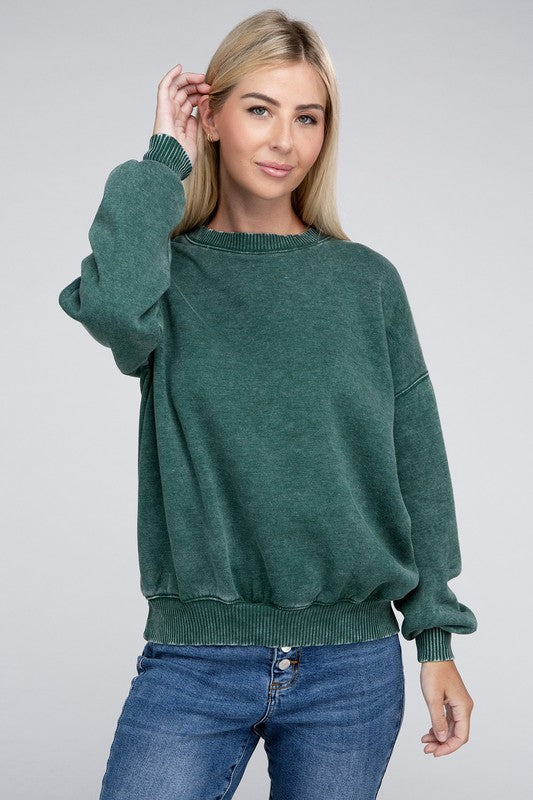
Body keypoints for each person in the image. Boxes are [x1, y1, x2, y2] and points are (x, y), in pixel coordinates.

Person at [57, 9, 478, 800]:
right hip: (196, 662)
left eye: (307, 117)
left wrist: (435, 639)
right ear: (211, 116)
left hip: (351, 669)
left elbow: (416, 467)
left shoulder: (366, 282)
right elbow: (111, 307)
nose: (284, 140)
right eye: (259, 109)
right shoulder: (165, 280)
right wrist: (161, 160)